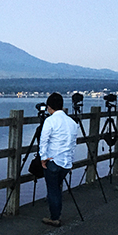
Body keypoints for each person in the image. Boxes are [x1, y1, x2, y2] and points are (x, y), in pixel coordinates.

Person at [39, 93, 78, 227]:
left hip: (54, 160)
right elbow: (73, 143)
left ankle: (55, 217)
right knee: (57, 187)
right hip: (66, 162)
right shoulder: (72, 123)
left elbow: (43, 141)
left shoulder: (50, 121)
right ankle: (56, 212)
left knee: (53, 189)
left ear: (49, 107)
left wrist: (43, 158)